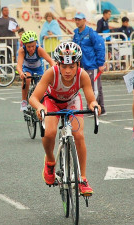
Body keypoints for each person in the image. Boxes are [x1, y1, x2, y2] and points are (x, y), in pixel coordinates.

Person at [29, 42, 101, 195]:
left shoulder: (83, 76)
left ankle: (82, 179)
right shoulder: (51, 73)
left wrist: (95, 105)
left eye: (72, 66)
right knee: (49, 133)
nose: (68, 71)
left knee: (79, 135)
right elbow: (34, 98)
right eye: (64, 66)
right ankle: (50, 162)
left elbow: (90, 99)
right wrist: (40, 107)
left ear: (78, 64)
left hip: (72, 102)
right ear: (58, 64)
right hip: (52, 102)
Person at [73, 12, 106, 115]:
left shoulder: (91, 33)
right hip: (83, 65)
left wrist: (100, 63)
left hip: (92, 65)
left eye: (79, 19)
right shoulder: (76, 34)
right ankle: (100, 108)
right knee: (91, 87)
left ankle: (94, 108)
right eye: (76, 19)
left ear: (84, 20)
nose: (77, 21)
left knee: (94, 87)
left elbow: (100, 47)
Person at [16, 31, 54, 111]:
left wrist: (54, 69)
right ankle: (24, 101)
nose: (31, 49)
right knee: (27, 78)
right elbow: (19, 66)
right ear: (24, 45)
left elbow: (50, 61)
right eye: (29, 47)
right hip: (27, 69)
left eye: (33, 46)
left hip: (38, 69)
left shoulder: (39, 49)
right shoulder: (22, 51)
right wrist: (21, 73)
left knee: (41, 86)